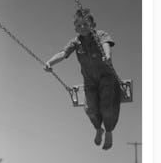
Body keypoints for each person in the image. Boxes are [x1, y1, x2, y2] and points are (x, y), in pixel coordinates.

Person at [45, 8, 121, 150]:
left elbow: (106, 44)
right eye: (79, 25)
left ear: (93, 25)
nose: (82, 28)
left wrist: (107, 56)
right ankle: (99, 129)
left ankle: (109, 131)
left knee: (107, 108)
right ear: (75, 28)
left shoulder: (101, 35)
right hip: (90, 81)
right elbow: (63, 53)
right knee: (90, 109)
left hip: (106, 78)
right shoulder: (76, 42)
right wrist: (50, 62)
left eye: (85, 24)